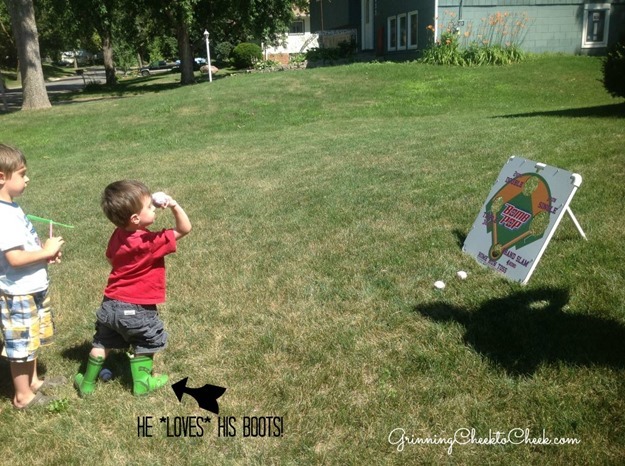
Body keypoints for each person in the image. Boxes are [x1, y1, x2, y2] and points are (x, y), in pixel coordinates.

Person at [74, 180, 191, 396]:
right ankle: (142, 382)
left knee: (102, 342)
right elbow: (185, 228)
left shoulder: (117, 234)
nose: (153, 208)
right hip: (138, 308)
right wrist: (174, 205)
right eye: (149, 207)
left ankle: (87, 383)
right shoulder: (150, 242)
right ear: (136, 218)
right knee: (146, 341)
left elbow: (110, 258)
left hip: (110, 304)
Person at [0, 144, 66, 409]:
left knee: (31, 338)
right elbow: (14, 259)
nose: (27, 179)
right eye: (22, 173)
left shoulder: (11, 207)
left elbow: (22, 249)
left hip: (31, 286)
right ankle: (22, 396)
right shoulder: (3, 215)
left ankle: (34, 381)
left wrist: (43, 254)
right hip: (18, 292)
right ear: (1, 177)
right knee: (21, 344)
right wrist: (45, 251)